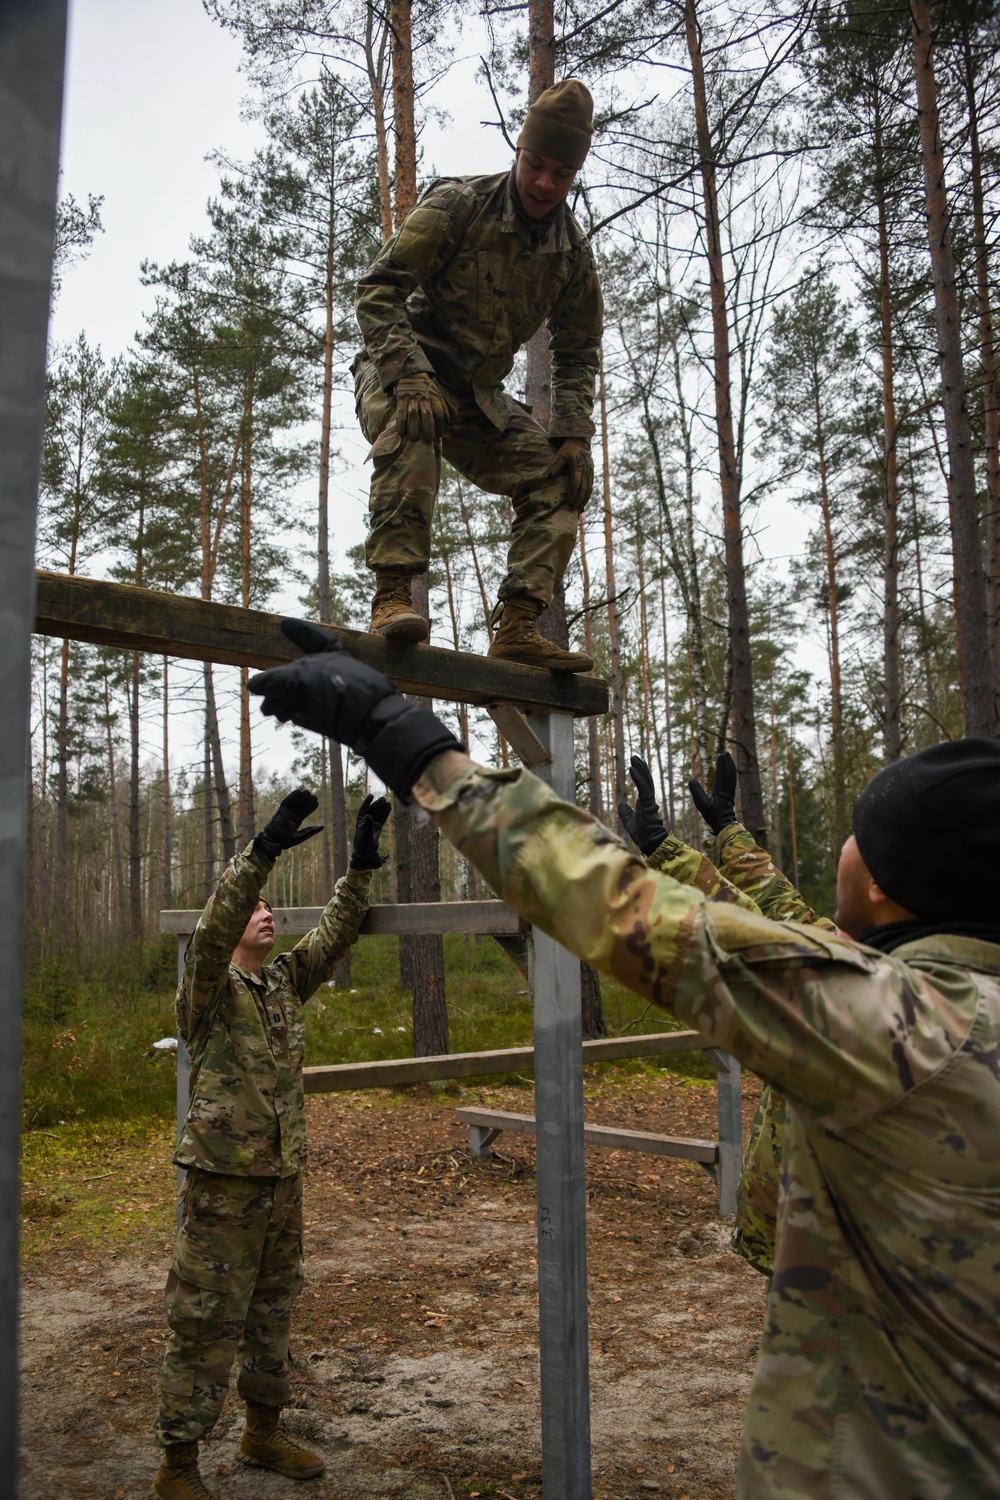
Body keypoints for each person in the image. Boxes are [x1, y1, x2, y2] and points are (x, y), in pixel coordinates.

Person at [248, 621, 1000, 1498]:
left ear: (879, 883)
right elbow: (784, 927)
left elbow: (618, 905)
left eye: (859, 834)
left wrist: (401, 734)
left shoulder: (904, 1027)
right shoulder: (936, 1009)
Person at [152, 788, 390, 1500]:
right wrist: (263, 851)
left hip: (281, 1180)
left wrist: (362, 862)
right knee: (202, 1318)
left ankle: (261, 1430)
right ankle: (179, 1465)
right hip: (224, 1184)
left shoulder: (282, 983)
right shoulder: (207, 990)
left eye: (269, 909)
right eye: (256, 908)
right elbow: (216, 919)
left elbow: (337, 930)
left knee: (272, 1310)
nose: (266, 913)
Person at [353, 77, 603, 672]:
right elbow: (378, 289)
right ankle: (392, 597)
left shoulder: (571, 256)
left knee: (558, 477)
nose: (543, 184)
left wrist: (573, 429)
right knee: (419, 416)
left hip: (477, 398)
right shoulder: (459, 206)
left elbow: (579, 347)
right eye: (535, 165)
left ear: (573, 176)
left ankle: (518, 626)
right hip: (400, 368)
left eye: (559, 174)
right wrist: (409, 373)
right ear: (518, 151)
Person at [619, 752, 836, 1280]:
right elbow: (786, 912)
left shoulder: (859, 982)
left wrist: (663, 852)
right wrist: (729, 830)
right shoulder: (876, 958)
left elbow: (749, 932)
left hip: (832, 1253)